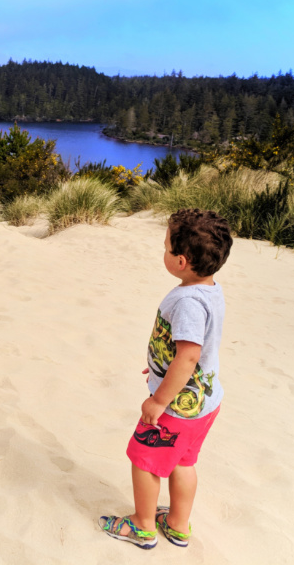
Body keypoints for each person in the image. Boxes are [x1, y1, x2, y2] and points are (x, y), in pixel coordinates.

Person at [99, 208, 233, 549]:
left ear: (181, 261)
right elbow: (186, 354)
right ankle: (177, 524)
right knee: (183, 461)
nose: (163, 251)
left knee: (145, 462)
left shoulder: (188, 301)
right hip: (205, 404)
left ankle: (143, 525)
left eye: (166, 247)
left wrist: (159, 399)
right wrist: (161, 366)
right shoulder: (210, 291)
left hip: (176, 409)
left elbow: (188, 355)